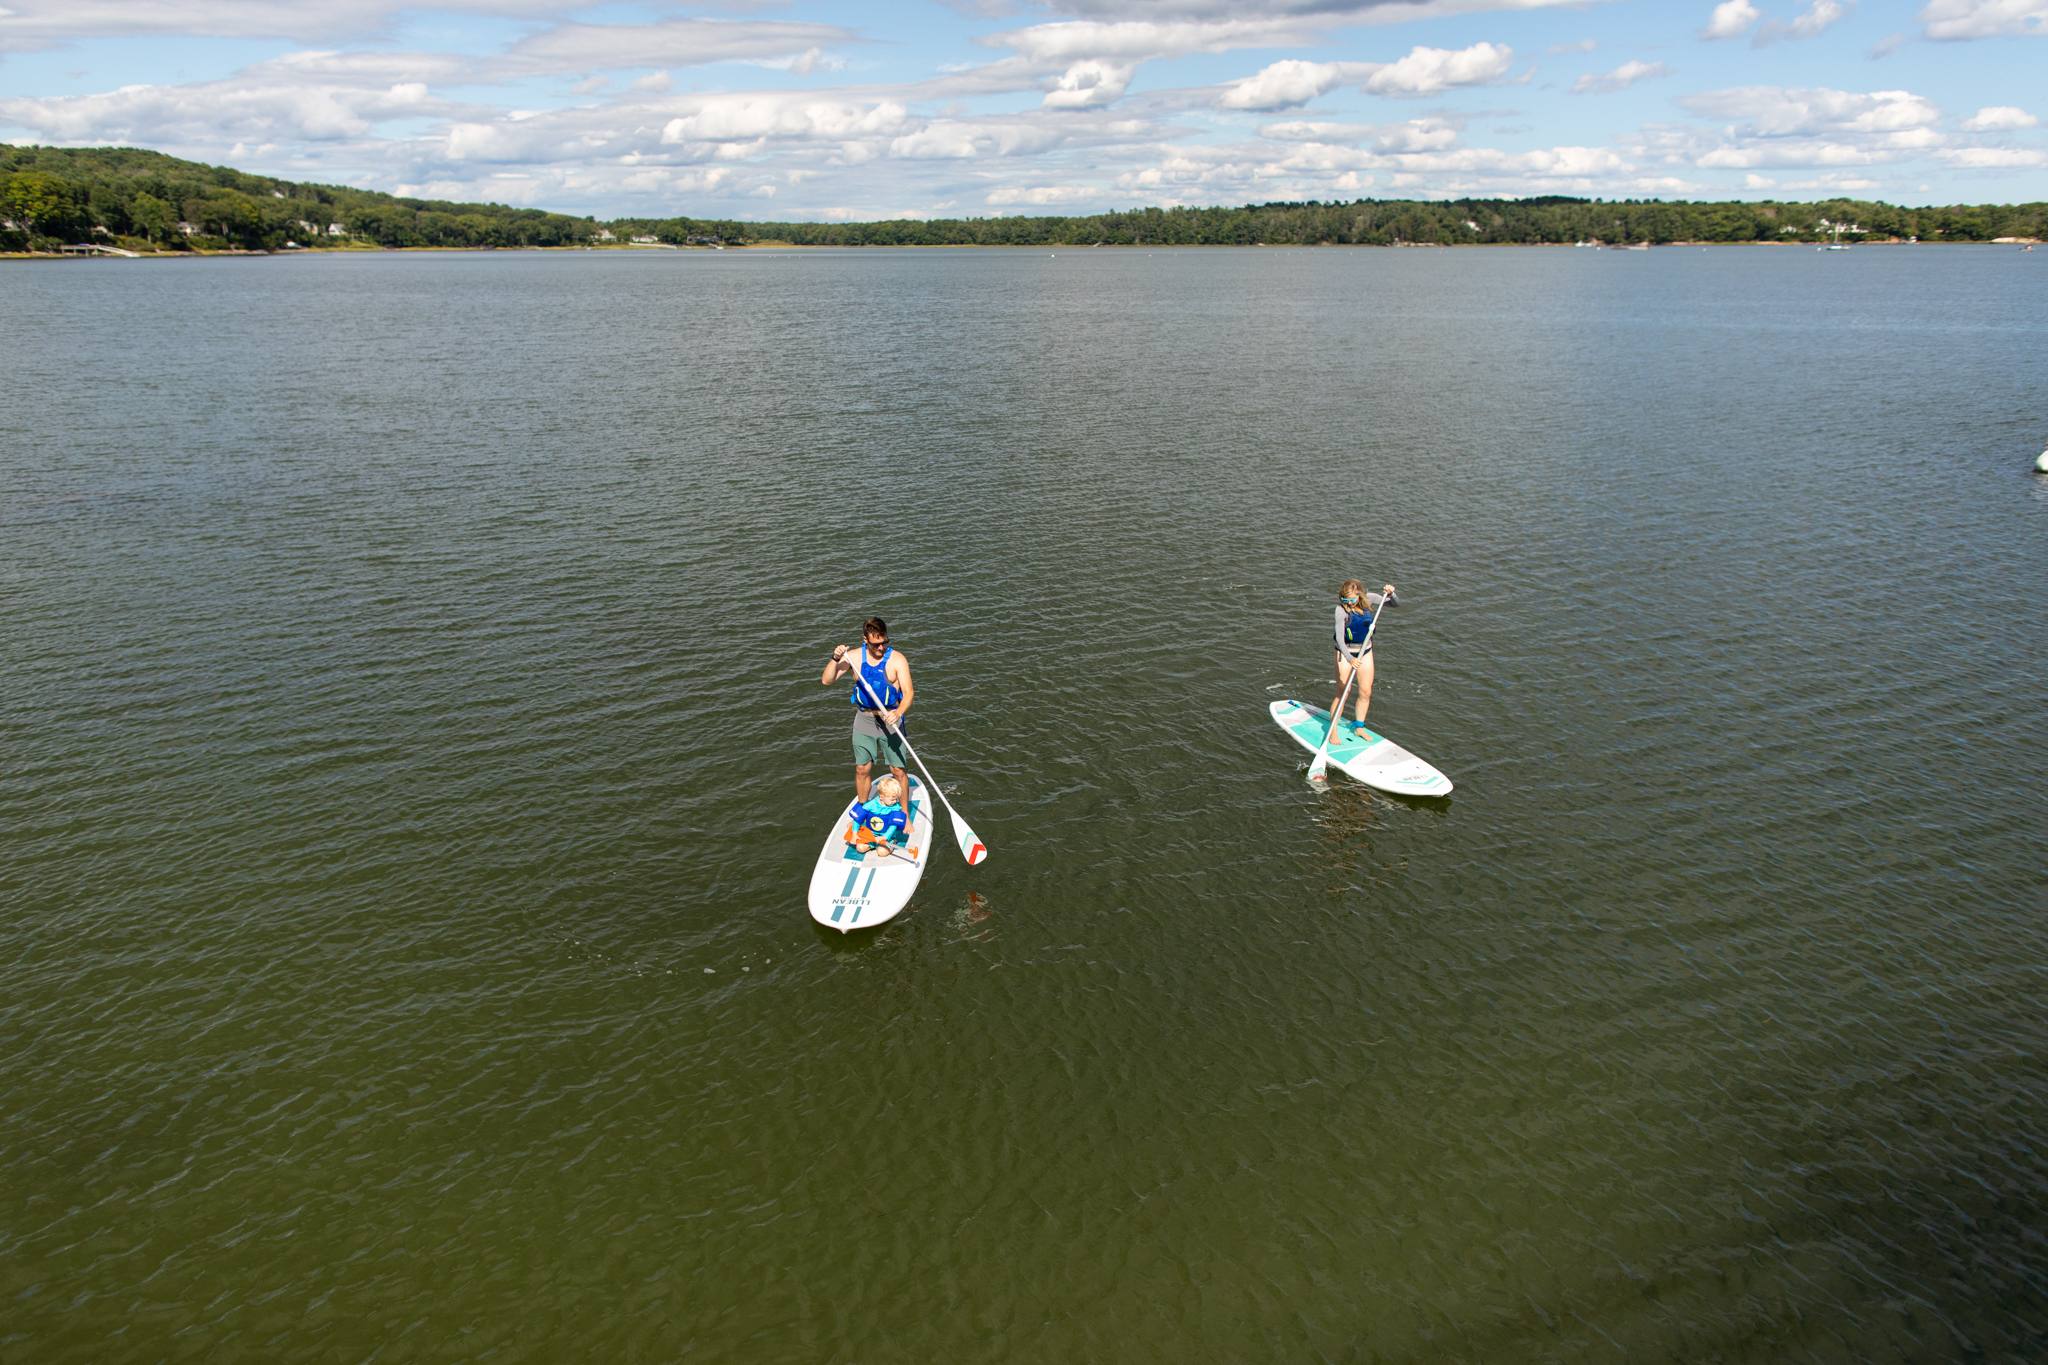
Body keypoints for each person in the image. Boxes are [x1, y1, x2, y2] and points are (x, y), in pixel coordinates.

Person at [821, 616, 914, 828]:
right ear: (865, 640)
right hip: (864, 719)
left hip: (891, 718)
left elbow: (909, 694)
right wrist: (835, 659)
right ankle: (862, 811)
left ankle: (905, 813)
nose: (881, 647)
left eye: (884, 642)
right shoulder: (853, 657)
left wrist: (898, 712)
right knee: (862, 769)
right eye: (875, 644)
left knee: (897, 770)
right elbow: (826, 680)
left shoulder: (897, 660)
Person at [1331, 578, 1397, 739]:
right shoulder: (1341, 610)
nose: (1349, 603)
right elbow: (1340, 638)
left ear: (1360, 595)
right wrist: (1349, 658)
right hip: (1345, 653)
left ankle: (1359, 727)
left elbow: (1395, 604)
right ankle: (1333, 732)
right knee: (1343, 693)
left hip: (1366, 652)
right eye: (1345, 600)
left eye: (1352, 599)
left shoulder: (1370, 599)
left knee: (1366, 692)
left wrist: (1392, 594)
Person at [846, 774, 913, 858]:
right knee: (860, 848)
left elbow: (893, 825)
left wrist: (885, 837)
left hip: (886, 835)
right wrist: (854, 833)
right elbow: (857, 818)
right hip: (870, 835)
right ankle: (872, 845)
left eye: (896, 799)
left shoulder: (895, 808)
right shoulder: (871, 804)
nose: (895, 801)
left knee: (881, 852)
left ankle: (893, 842)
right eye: (892, 799)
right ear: (881, 797)